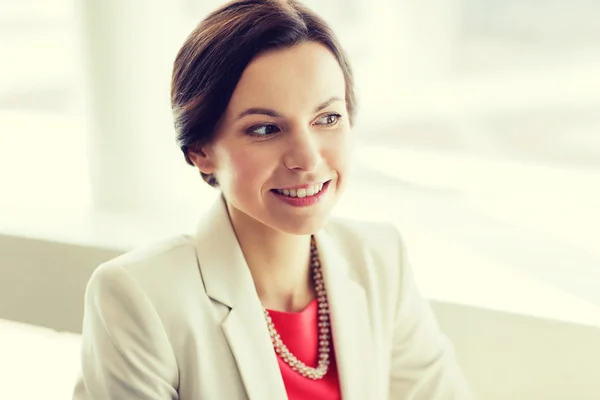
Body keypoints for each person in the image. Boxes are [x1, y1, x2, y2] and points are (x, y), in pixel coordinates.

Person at [73, 0, 475, 399]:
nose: (307, 159)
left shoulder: (379, 259)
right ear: (201, 150)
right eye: (265, 129)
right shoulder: (139, 296)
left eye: (327, 118)